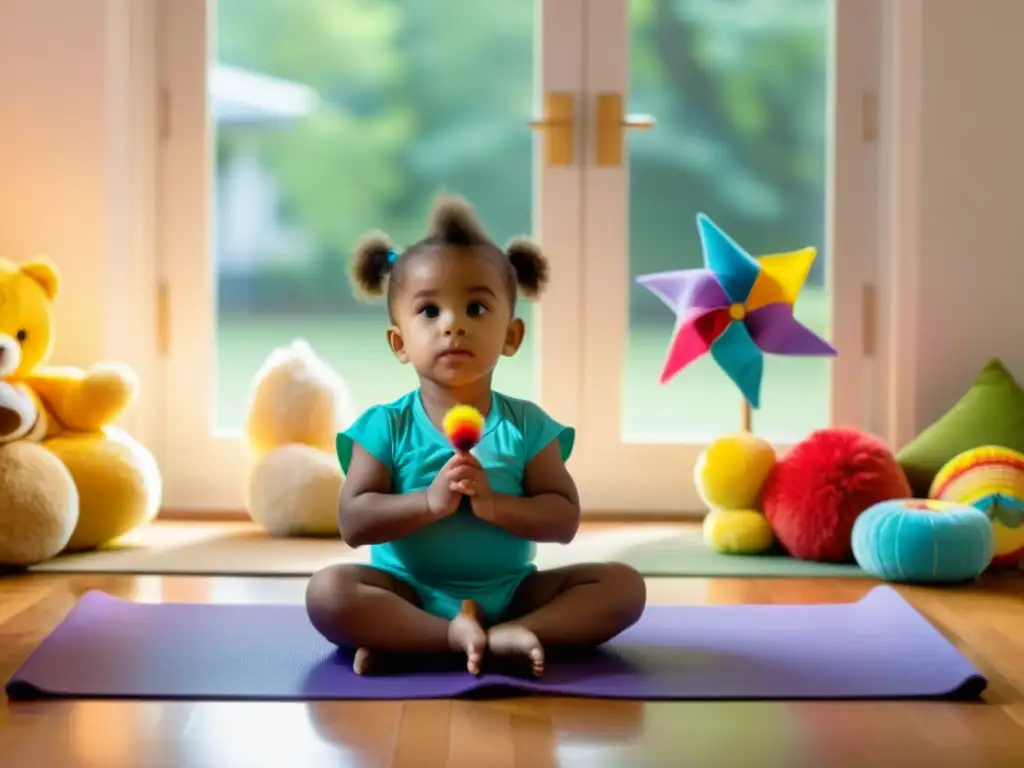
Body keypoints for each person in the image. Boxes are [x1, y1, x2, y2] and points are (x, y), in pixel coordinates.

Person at [305, 195, 647, 677]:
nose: (453, 325)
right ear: (399, 342)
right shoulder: (385, 426)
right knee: (327, 593)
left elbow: (563, 519)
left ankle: (449, 640)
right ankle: (440, 634)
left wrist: (495, 507)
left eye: (476, 307)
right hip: (405, 592)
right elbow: (353, 522)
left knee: (624, 587)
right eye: (429, 311)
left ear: (511, 336)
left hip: (511, 596)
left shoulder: (527, 426)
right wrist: (428, 503)